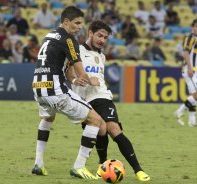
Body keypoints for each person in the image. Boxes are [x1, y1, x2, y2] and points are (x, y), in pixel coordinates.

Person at [66, 20, 150, 181]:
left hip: (101, 96)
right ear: (90, 33)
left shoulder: (101, 56)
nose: (102, 40)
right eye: (99, 35)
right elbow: (68, 73)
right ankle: (102, 164)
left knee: (113, 128)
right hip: (83, 99)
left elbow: (98, 79)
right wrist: (77, 81)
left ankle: (138, 170)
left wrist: (93, 81)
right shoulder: (77, 50)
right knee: (101, 129)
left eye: (105, 37)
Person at [31, 6, 107, 180]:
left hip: (38, 87)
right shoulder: (69, 40)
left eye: (82, 23)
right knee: (96, 120)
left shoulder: (49, 35)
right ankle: (79, 166)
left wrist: (72, 80)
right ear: (66, 22)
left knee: (48, 118)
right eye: (77, 23)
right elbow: (82, 73)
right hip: (56, 90)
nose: (80, 27)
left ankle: (38, 163)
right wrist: (92, 80)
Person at [174, 18, 197, 128]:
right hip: (189, 70)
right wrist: (189, 68)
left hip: (196, 71)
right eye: (196, 26)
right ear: (192, 27)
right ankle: (179, 111)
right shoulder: (190, 38)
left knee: (195, 95)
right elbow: (185, 53)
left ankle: (192, 121)